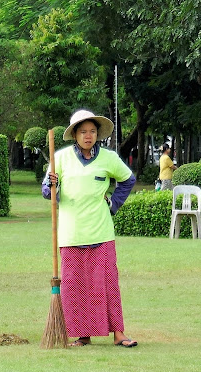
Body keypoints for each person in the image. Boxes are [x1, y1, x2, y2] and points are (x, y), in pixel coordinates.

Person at [42, 110, 138, 348]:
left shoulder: (109, 158)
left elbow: (128, 180)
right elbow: (47, 192)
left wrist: (114, 203)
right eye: (83, 131)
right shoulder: (60, 159)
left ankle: (119, 333)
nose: (88, 136)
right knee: (74, 288)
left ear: (98, 134)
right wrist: (52, 186)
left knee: (107, 284)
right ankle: (82, 335)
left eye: (92, 131)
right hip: (70, 233)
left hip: (101, 232)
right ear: (75, 134)